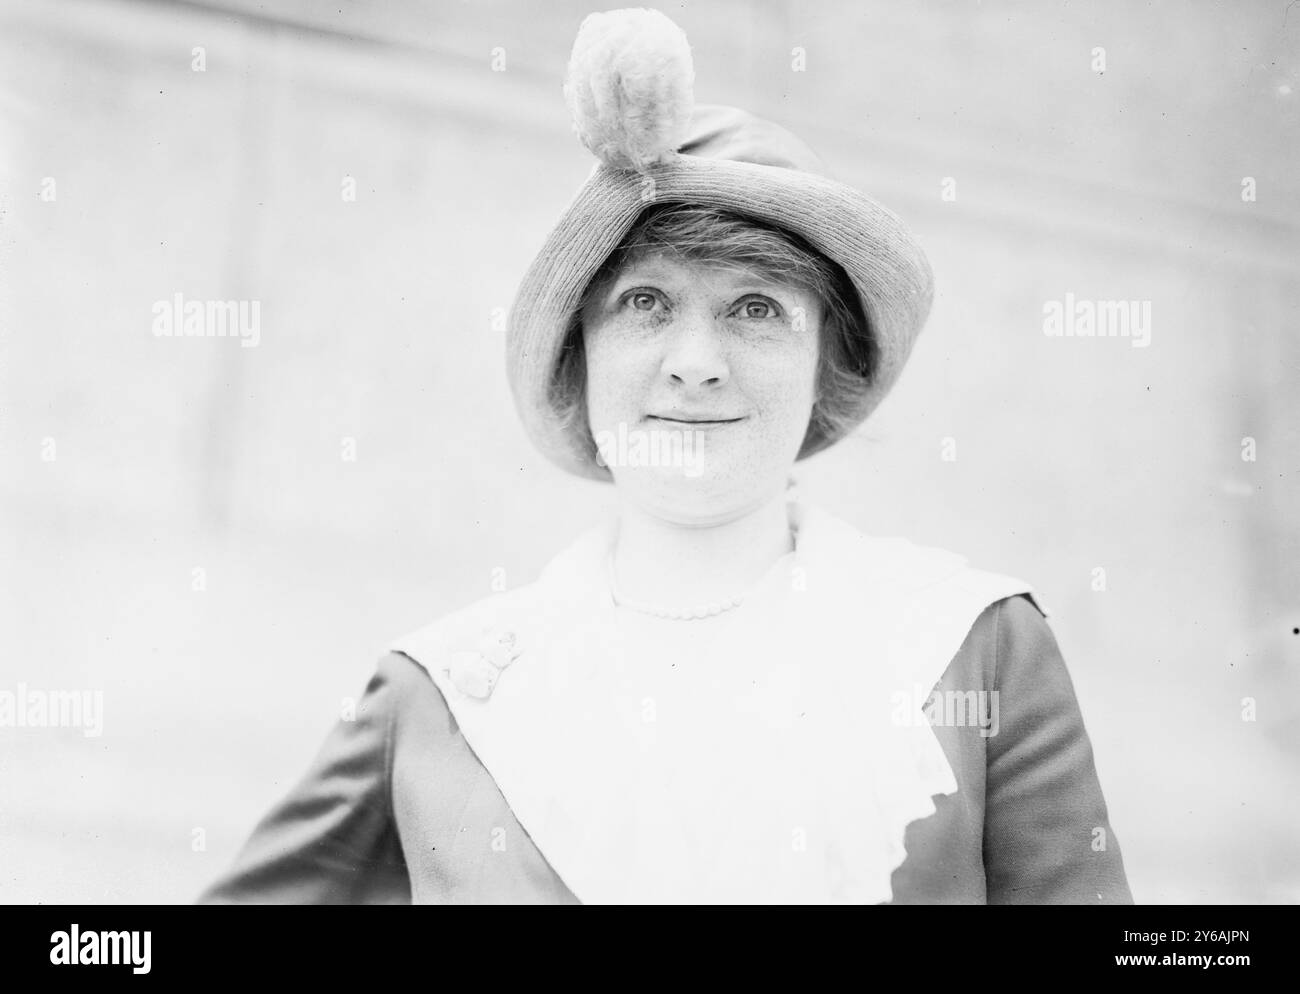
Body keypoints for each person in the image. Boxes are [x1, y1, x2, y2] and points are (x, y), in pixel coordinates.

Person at [198, 8, 1132, 905]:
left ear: (827, 363)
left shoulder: (970, 646)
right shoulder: (443, 692)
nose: (695, 365)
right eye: (645, 302)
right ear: (583, 353)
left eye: (757, 309)